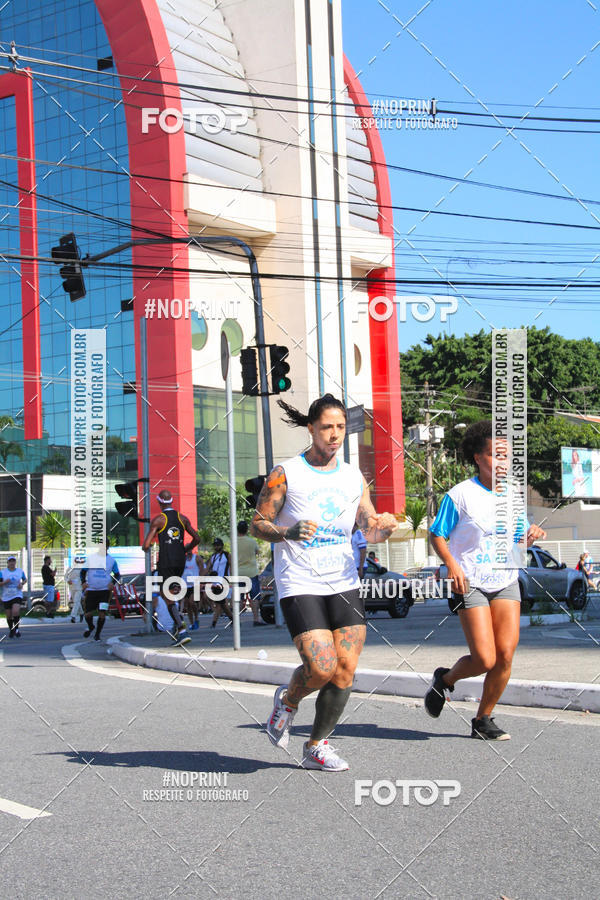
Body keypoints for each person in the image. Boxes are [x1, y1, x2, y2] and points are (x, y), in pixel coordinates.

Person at [250, 394, 397, 772]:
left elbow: (367, 528)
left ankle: (316, 745)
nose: (335, 435)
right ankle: (287, 701)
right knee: (321, 667)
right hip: (300, 582)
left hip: (343, 580)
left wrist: (384, 526)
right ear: (312, 428)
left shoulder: (352, 476)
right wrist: (289, 531)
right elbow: (257, 525)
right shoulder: (287, 473)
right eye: (327, 427)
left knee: (345, 668)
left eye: (341, 428)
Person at [426, 420, 546, 740]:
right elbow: (437, 534)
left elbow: (517, 544)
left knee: (505, 654)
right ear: (479, 458)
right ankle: (445, 680)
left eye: (507, 457)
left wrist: (530, 538)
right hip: (471, 581)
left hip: (505, 579)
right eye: (495, 455)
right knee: (484, 657)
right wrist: (451, 564)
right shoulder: (461, 495)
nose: (502, 463)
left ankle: (483, 719)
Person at [142, 490, 201, 646]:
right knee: (173, 592)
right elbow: (197, 538)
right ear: (171, 501)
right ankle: (177, 627)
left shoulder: (159, 520)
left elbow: (146, 545)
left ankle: (182, 631)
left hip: (166, 561)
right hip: (180, 561)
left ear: (160, 502)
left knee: (166, 595)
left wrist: (147, 548)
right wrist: (187, 548)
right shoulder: (182, 518)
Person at [81, 541, 120, 641]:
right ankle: (91, 626)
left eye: (105, 546)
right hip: (91, 590)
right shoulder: (91, 558)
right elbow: (83, 571)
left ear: (108, 547)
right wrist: (83, 582)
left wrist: (113, 583)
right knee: (88, 613)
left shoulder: (111, 560)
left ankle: (97, 634)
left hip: (105, 592)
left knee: (102, 613)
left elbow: (117, 575)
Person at [237, 520, 266, 627]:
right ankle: (256, 619)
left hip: (238, 573)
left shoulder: (233, 542)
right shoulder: (252, 542)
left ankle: (237, 620)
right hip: (252, 573)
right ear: (247, 530)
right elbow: (258, 552)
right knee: (254, 597)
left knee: (239, 598)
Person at [207, 538, 233, 628]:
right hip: (215, 583)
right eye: (215, 545)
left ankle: (213, 623)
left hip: (223, 581)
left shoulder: (227, 555)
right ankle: (233, 619)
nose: (216, 547)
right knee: (222, 604)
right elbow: (208, 568)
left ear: (222, 545)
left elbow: (232, 567)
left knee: (219, 603)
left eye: (218, 545)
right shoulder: (213, 557)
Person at [1, 555, 26, 638]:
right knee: (9, 615)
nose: (12, 563)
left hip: (17, 594)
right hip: (6, 596)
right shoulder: (3, 572)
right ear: (7, 563)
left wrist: (21, 584)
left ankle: (17, 629)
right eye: (10, 561)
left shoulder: (19, 571)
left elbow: (24, 579)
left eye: (13, 561)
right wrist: (5, 582)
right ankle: (11, 630)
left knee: (15, 611)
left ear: (15, 562)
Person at [182, 549, 202, 630]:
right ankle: (192, 623)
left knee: (192, 602)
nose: (188, 550)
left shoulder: (196, 558)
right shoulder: (183, 559)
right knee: (187, 605)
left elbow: (202, 569)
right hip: (185, 585)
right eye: (187, 549)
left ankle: (196, 619)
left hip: (194, 584)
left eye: (190, 548)